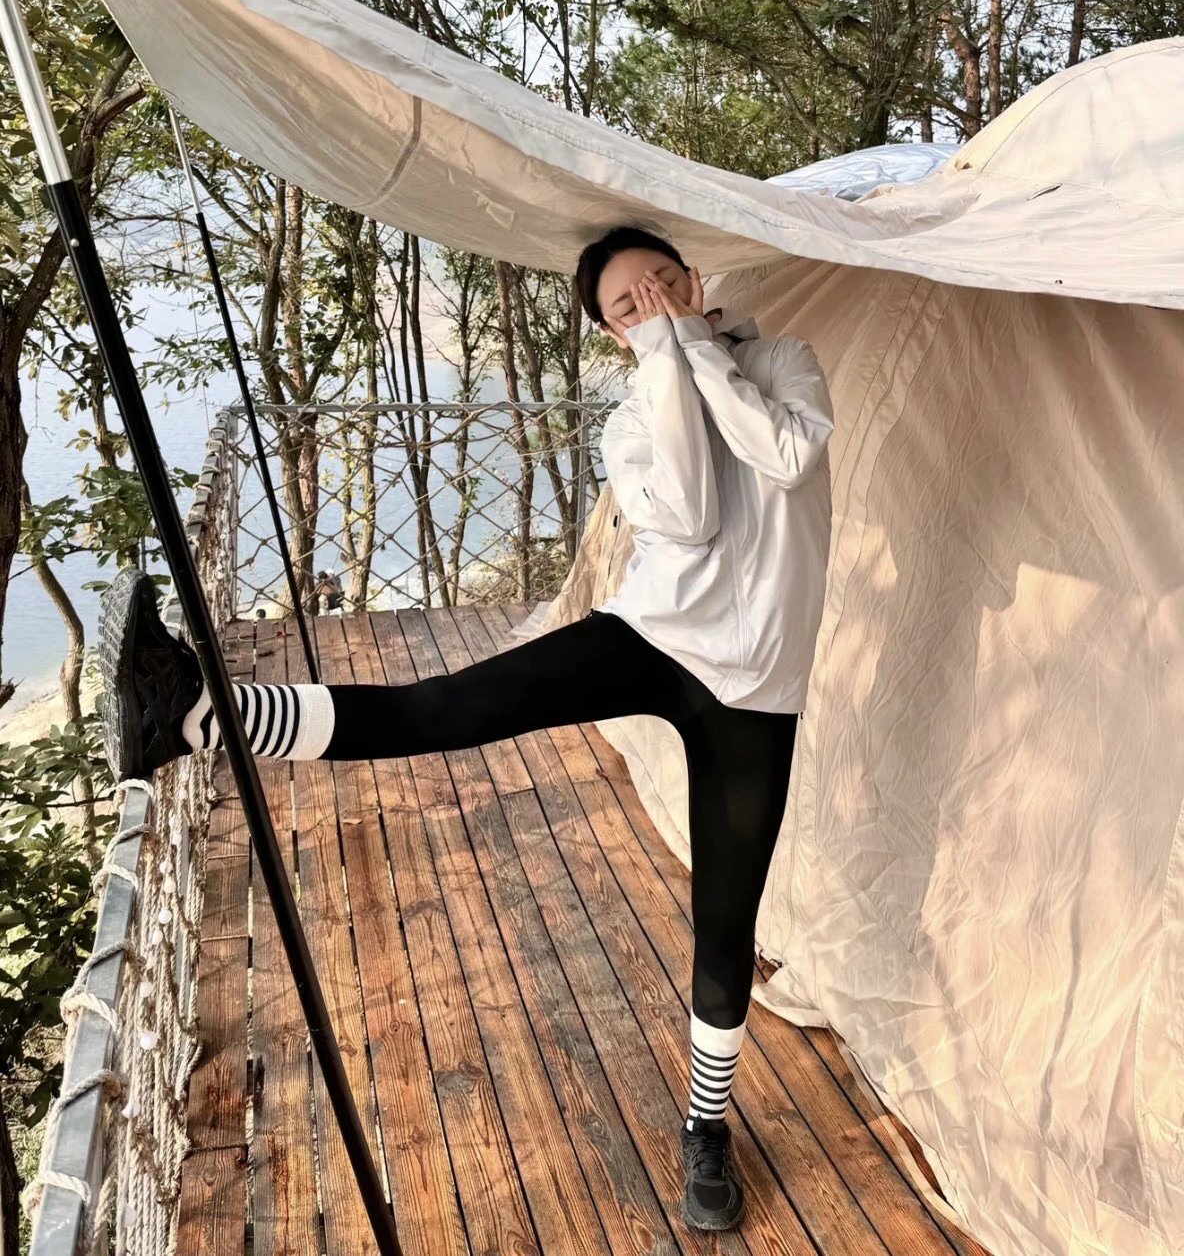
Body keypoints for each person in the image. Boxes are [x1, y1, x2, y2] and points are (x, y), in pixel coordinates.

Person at [99, 224, 834, 1234]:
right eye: (628, 307)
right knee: (447, 706)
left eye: (663, 284)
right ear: (613, 336)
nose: (653, 306)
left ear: (694, 279)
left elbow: (786, 457)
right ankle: (192, 714)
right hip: (656, 635)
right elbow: (694, 515)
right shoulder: (632, 420)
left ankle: (705, 1127)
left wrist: (697, 350)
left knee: (725, 916)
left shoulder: (782, 361)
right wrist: (670, 363)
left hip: (759, 688)